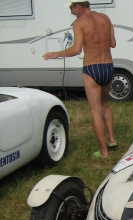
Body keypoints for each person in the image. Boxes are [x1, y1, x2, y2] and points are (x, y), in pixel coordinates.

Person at [43, 0, 117, 158]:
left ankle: (104, 152)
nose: (71, 12)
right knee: (105, 104)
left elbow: (76, 50)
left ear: (78, 6)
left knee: (96, 111)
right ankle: (111, 140)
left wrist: (57, 53)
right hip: (108, 67)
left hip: (92, 68)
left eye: (71, 8)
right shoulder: (106, 18)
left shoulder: (79, 23)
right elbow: (113, 43)